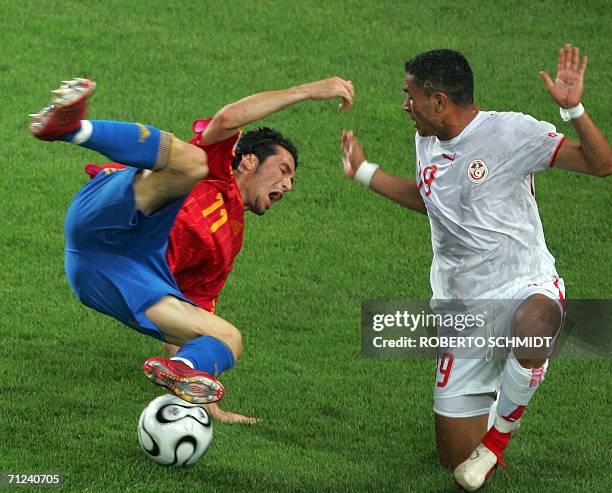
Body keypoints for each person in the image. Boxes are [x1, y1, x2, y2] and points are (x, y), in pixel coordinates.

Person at [341, 44, 611, 491]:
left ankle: (498, 441)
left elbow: (601, 165)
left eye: (411, 96)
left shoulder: (510, 133)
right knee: (453, 456)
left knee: (535, 321)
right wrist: (364, 172)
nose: (406, 105)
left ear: (439, 101)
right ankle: (497, 404)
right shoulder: (426, 138)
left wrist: (574, 109)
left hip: (524, 283)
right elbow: (432, 202)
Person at [29, 75, 354, 417]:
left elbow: (191, 315)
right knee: (191, 162)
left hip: (108, 277)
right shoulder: (218, 168)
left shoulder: (229, 243)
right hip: (110, 220)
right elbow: (227, 119)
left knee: (228, 337)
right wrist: (307, 91)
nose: (287, 185)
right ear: (247, 161)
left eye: (291, 180)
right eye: (283, 170)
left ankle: (182, 371)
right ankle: (71, 128)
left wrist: (208, 402)